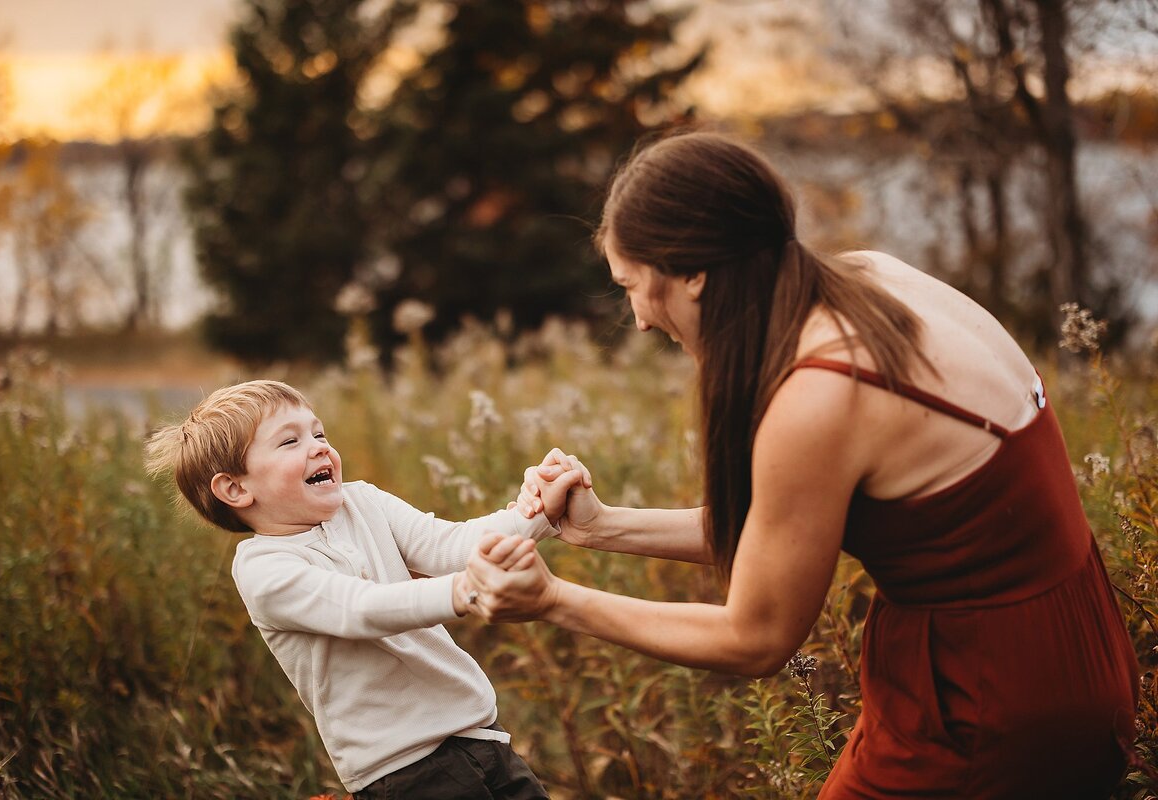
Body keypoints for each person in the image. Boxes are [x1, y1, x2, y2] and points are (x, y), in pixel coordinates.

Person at [464, 131, 1139, 798]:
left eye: (633, 285)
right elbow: (789, 527)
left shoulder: (819, 393)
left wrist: (553, 600)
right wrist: (599, 526)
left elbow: (755, 638)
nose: (638, 318)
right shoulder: (873, 280)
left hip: (983, 706)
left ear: (694, 274)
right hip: (1077, 655)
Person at [144, 379, 581, 799]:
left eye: (319, 432)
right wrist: (466, 590)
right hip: (405, 769)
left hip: (480, 735)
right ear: (236, 488)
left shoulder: (363, 502)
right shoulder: (265, 570)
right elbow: (361, 609)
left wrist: (540, 510)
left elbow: (453, 545)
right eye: (289, 441)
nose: (319, 446)